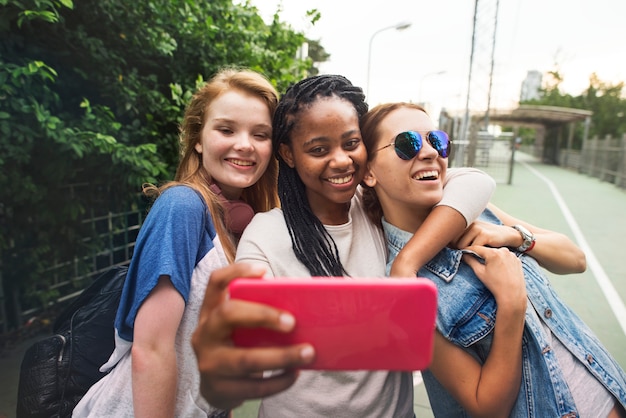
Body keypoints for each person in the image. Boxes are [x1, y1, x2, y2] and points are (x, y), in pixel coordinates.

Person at [192, 74, 496, 417]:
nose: (340, 161)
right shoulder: (267, 234)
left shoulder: (378, 205)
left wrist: (406, 263)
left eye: (351, 143)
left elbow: (476, 181)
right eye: (319, 149)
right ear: (288, 154)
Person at [359, 101, 626, 417]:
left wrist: (517, 237)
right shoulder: (407, 287)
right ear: (369, 173)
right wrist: (512, 304)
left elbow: (575, 259)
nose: (430, 152)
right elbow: (487, 406)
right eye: (407, 144)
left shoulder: (479, 211)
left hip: (612, 392)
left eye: (437, 141)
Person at [72, 68, 281, 417]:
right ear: (198, 138)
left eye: (260, 134)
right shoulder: (183, 207)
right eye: (226, 129)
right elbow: (151, 349)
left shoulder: (242, 224)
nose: (244, 144)